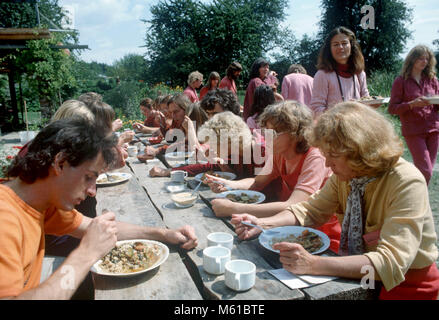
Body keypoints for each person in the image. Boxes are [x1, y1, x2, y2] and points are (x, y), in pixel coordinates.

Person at [232, 101, 439, 300]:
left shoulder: (406, 181)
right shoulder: (346, 176)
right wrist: (261, 224)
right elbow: (310, 210)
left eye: (332, 155)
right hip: (357, 274)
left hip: (409, 285)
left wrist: (313, 264)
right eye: (324, 154)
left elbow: (391, 261)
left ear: (360, 150)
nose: (328, 163)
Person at [0, 118, 198, 299]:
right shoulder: (5, 217)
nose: (93, 191)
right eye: (88, 177)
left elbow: (98, 228)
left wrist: (164, 234)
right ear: (60, 163)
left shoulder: (42, 204)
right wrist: (86, 254)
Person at [205, 101, 340, 252]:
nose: (267, 137)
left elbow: (293, 205)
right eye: (266, 131)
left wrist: (234, 208)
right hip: (288, 227)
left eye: (274, 133)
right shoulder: (279, 154)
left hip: (320, 238)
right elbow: (257, 182)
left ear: (296, 133)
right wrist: (228, 185)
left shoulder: (315, 157)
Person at [149, 111, 266, 179]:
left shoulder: (263, 151)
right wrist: (169, 171)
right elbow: (207, 166)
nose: (211, 147)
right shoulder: (235, 152)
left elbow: (259, 186)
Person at [388, 44, 439, 185]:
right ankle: (415, 197)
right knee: (426, 171)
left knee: (426, 171)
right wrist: (411, 104)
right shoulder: (401, 81)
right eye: (420, 58)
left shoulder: (432, 80)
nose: (424, 61)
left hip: (434, 129)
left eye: (426, 59)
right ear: (412, 60)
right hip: (413, 131)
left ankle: (419, 201)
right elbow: (392, 108)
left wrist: (434, 101)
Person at [310, 26, 369, 118]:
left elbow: (367, 101)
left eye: (344, 43)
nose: (340, 47)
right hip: (333, 129)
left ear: (352, 46)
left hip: (358, 127)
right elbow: (316, 109)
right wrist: (342, 110)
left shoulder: (360, 73)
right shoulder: (322, 75)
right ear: (329, 49)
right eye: (336, 44)